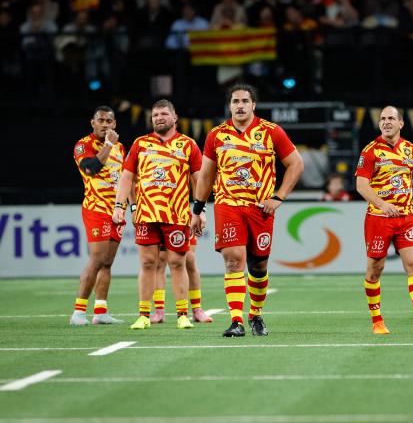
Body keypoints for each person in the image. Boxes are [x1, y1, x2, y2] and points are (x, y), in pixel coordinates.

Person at [191, 83, 304, 337]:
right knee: (233, 260)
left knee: (258, 268)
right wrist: (197, 209)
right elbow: (206, 175)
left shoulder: (271, 132)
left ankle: (255, 315)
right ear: (229, 106)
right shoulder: (216, 135)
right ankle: (236, 321)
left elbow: (296, 164)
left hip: (261, 209)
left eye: (244, 101)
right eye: (235, 102)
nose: (239, 106)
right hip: (228, 204)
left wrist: (279, 196)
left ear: (254, 105)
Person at [113, 99, 202, 330]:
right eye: (155, 115)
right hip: (146, 214)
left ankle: (183, 314)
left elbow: (198, 180)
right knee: (147, 262)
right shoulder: (141, 144)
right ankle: (144, 314)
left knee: (177, 263)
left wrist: (200, 211)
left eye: (163, 114)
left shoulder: (188, 144)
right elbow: (126, 178)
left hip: (177, 215)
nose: (159, 118)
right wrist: (119, 207)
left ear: (175, 118)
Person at [355, 106, 413, 335]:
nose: (386, 122)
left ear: (401, 123)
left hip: (406, 217)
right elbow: (361, 186)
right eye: (383, 119)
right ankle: (377, 321)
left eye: (391, 118)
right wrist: (383, 205)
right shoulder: (370, 151)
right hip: (378, 219)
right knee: (375, 270)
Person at [71, 106, 127, 326]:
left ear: (114, 124)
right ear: (92, 122)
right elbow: (91, 169)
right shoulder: (83, 145)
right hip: (96, 208)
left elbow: (124, 179)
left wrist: (128, 206)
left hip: (116, 210)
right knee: (97, 259)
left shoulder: (121, 148)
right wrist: (108, 145)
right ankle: (78, 312)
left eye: (109, 121)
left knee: (108, 262)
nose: (105, 124)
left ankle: (101, 311)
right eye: (101, 120)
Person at [150, 239, 213, 324]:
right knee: (160, 261)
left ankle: (197, 309)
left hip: (183, 225)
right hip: (160, 225)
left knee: (189, 259)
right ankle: (159, 311)